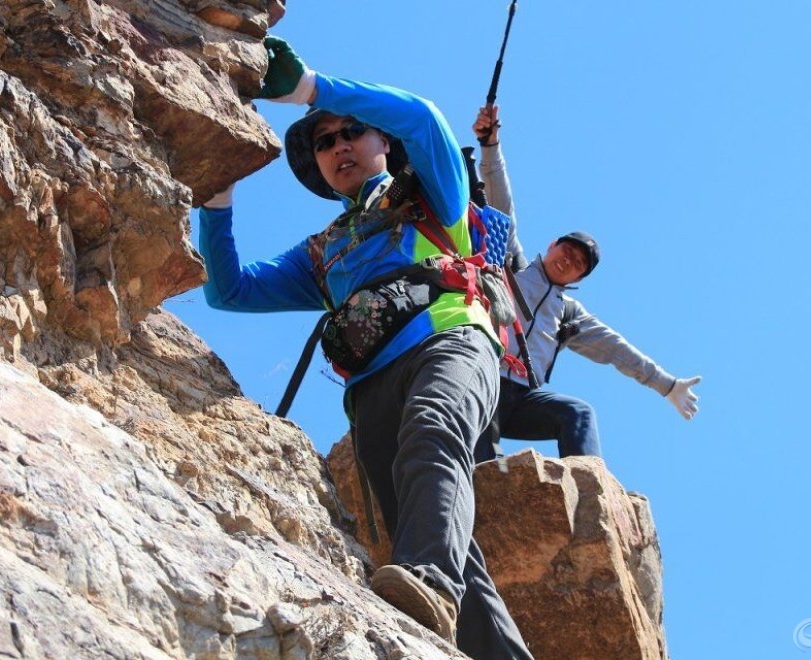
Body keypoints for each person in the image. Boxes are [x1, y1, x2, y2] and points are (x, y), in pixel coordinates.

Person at [197, 38, 533, 660]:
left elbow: (426, 118)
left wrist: (309, 90)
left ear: (383, 143)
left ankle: (431, 583)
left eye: (354, 131)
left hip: (450, 337)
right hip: (369, 390)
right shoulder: (321, 251)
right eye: (324, 141)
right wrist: (217, 196)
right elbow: (230, 291)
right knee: (428, 534)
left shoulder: (435, 191)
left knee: (434, 436)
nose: (338, 145)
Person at [472, 105, 702, 462]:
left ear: (579, 278)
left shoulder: (567, 314)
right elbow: (500, 201)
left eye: (578, 263)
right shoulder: (512, 262)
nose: (569, 260)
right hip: (480, 378)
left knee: (576, 413)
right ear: (551, 246)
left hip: (521, 399)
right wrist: (490, 145)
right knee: (485, 462)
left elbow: (616, 349)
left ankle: (586, 488)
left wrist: (666, 385)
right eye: (567, 250)